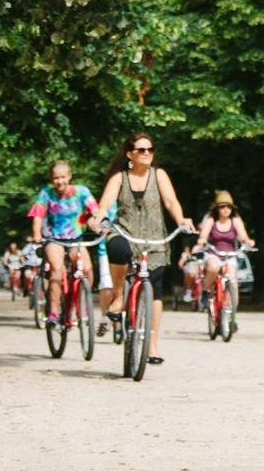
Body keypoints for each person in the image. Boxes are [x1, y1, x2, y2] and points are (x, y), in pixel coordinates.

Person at [95, 134, 196, 345]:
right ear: (130, 154)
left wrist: (181, 220)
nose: (147, 153)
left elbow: (170, 201)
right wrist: (97, 218)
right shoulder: (119, 177)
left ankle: (152, 346)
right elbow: (104, 205)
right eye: (141, 150)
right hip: (125, 232)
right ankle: (119, 296)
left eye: (150, 149)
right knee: (116, 247)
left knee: (155, 289)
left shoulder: (159, 175)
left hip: (154, 238)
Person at [26, 161, 98, 317]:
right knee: (57, 270)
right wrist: (37, 234)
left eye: (63, 177)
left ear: (70, 176)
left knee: (87, 269)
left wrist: (97, 223)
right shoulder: (46, 193)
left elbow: (95, 211)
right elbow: (38, 216)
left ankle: (79, 302)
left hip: (75, 239)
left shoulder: (82, 192)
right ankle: (53, 311)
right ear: (51, 179)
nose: (60, 181)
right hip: (54, 239)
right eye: (56, 178)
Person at [189, 191, 253, 316]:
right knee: (213, 268)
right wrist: (201, 241)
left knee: (233, 281)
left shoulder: (235, 220)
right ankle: (206, 292)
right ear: (217, 208)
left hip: (230, 255)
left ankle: (231, 315)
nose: (226, 209)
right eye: (222, 206)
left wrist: (247, 241)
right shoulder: (211, 220)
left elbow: (243, 236)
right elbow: (203, 236)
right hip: (213, 253)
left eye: (228, 206)